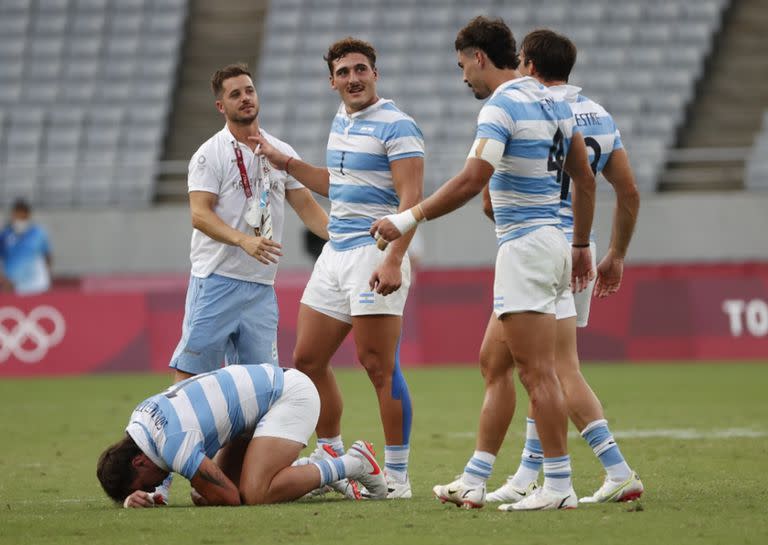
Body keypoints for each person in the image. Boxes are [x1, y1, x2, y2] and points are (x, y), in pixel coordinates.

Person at [370, 17, 596, 510]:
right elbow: (585, 177)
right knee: (494, 361)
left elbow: (473, 180)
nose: (463, 78)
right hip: (553, 244)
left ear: (478, 56)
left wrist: (407, 218)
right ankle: (475, 478)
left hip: (526, 249)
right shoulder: (555, 100)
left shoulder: (502, 105)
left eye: (462, 66)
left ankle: (558, 486)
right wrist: (578, 243)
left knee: (539, 375)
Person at [250, 38, 424, 499]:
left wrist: (393, 258)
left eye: (361, 69)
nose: (353, 78)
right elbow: (336, 184)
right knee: (307, 362)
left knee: (378, 366)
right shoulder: (341, 121)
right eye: (344, 72)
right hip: (335, 253)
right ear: (332, 81)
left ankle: (397, 477)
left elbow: (411, 202)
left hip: (374, 250)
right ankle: (333, 458)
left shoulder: (398, 124)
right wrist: (286, 162)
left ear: (375, 74)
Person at [484, 29, 642, 508]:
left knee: (553, 369)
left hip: (540, 244)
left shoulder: (532, 109)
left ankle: (614, 469)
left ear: (527, 64)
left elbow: (494, 195)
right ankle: (529, 472)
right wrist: (614, 254)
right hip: (580, 248)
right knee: (519, 362)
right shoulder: (598, 115)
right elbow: (628, 192)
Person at [169, 63, 329, 384]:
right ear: (221, 106)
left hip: (261, 286)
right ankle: (181, 434)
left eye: (249, 91)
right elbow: (200, 215)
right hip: (216, 279)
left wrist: (346, 241)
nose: (245, 98)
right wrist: (244, 240)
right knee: (192, 376)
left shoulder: (280, 152)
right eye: (235, 94)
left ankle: (246, 437)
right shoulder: (209, 154)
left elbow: (308, 209)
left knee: (262, 382)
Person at [96, 364, 388, 507]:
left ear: (138, 463)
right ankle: (311, 473)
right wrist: (149, 494)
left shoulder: (174, 444)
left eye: (143, 484)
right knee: (203, 495)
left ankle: (353, 463)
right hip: (258, 408)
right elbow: (163, 459)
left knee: (255, 494)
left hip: (289, 395)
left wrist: (157, 493)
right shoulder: (139, 419)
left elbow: (232, 499)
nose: (154, 484)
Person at [0, 198, 52, 295]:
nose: (20, 217)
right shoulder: (4, 235)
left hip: (37, 286)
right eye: (17, 214)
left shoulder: (39, 234)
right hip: (13, 288)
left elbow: (48, 256)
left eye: (23, 214)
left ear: (28, 215)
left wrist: (47, 277)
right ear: (13, 215)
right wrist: (3, 279)